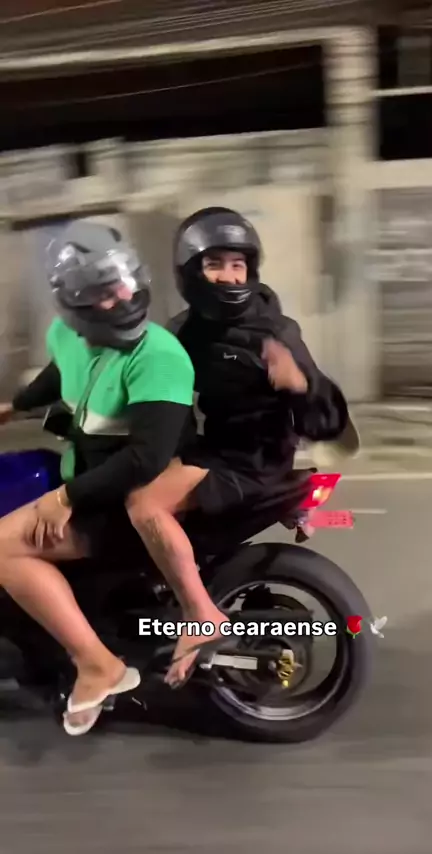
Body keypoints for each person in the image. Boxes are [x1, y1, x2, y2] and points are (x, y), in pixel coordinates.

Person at [125, 206, 350, 688]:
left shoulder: (275, 332)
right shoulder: (184, 332)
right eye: (215, 265)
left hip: (251, 462)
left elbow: (329, 424)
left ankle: (198, 615)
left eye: (237, 264)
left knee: (144, 506)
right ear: (190, 271)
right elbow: (163, 391)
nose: (229, 277)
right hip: (215, 448)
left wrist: (299, 385)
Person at [0, 219, 203, 736]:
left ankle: (96, 663)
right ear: (75, 306)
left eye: (125, 285)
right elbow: (60, 372)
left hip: (122, 498)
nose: (123, 299)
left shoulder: (158, 357)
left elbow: (146, 460)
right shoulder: (69, 334)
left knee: (1, 547)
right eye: (105, 294)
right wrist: (13, 407)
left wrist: (65, 498)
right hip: (88, 476)